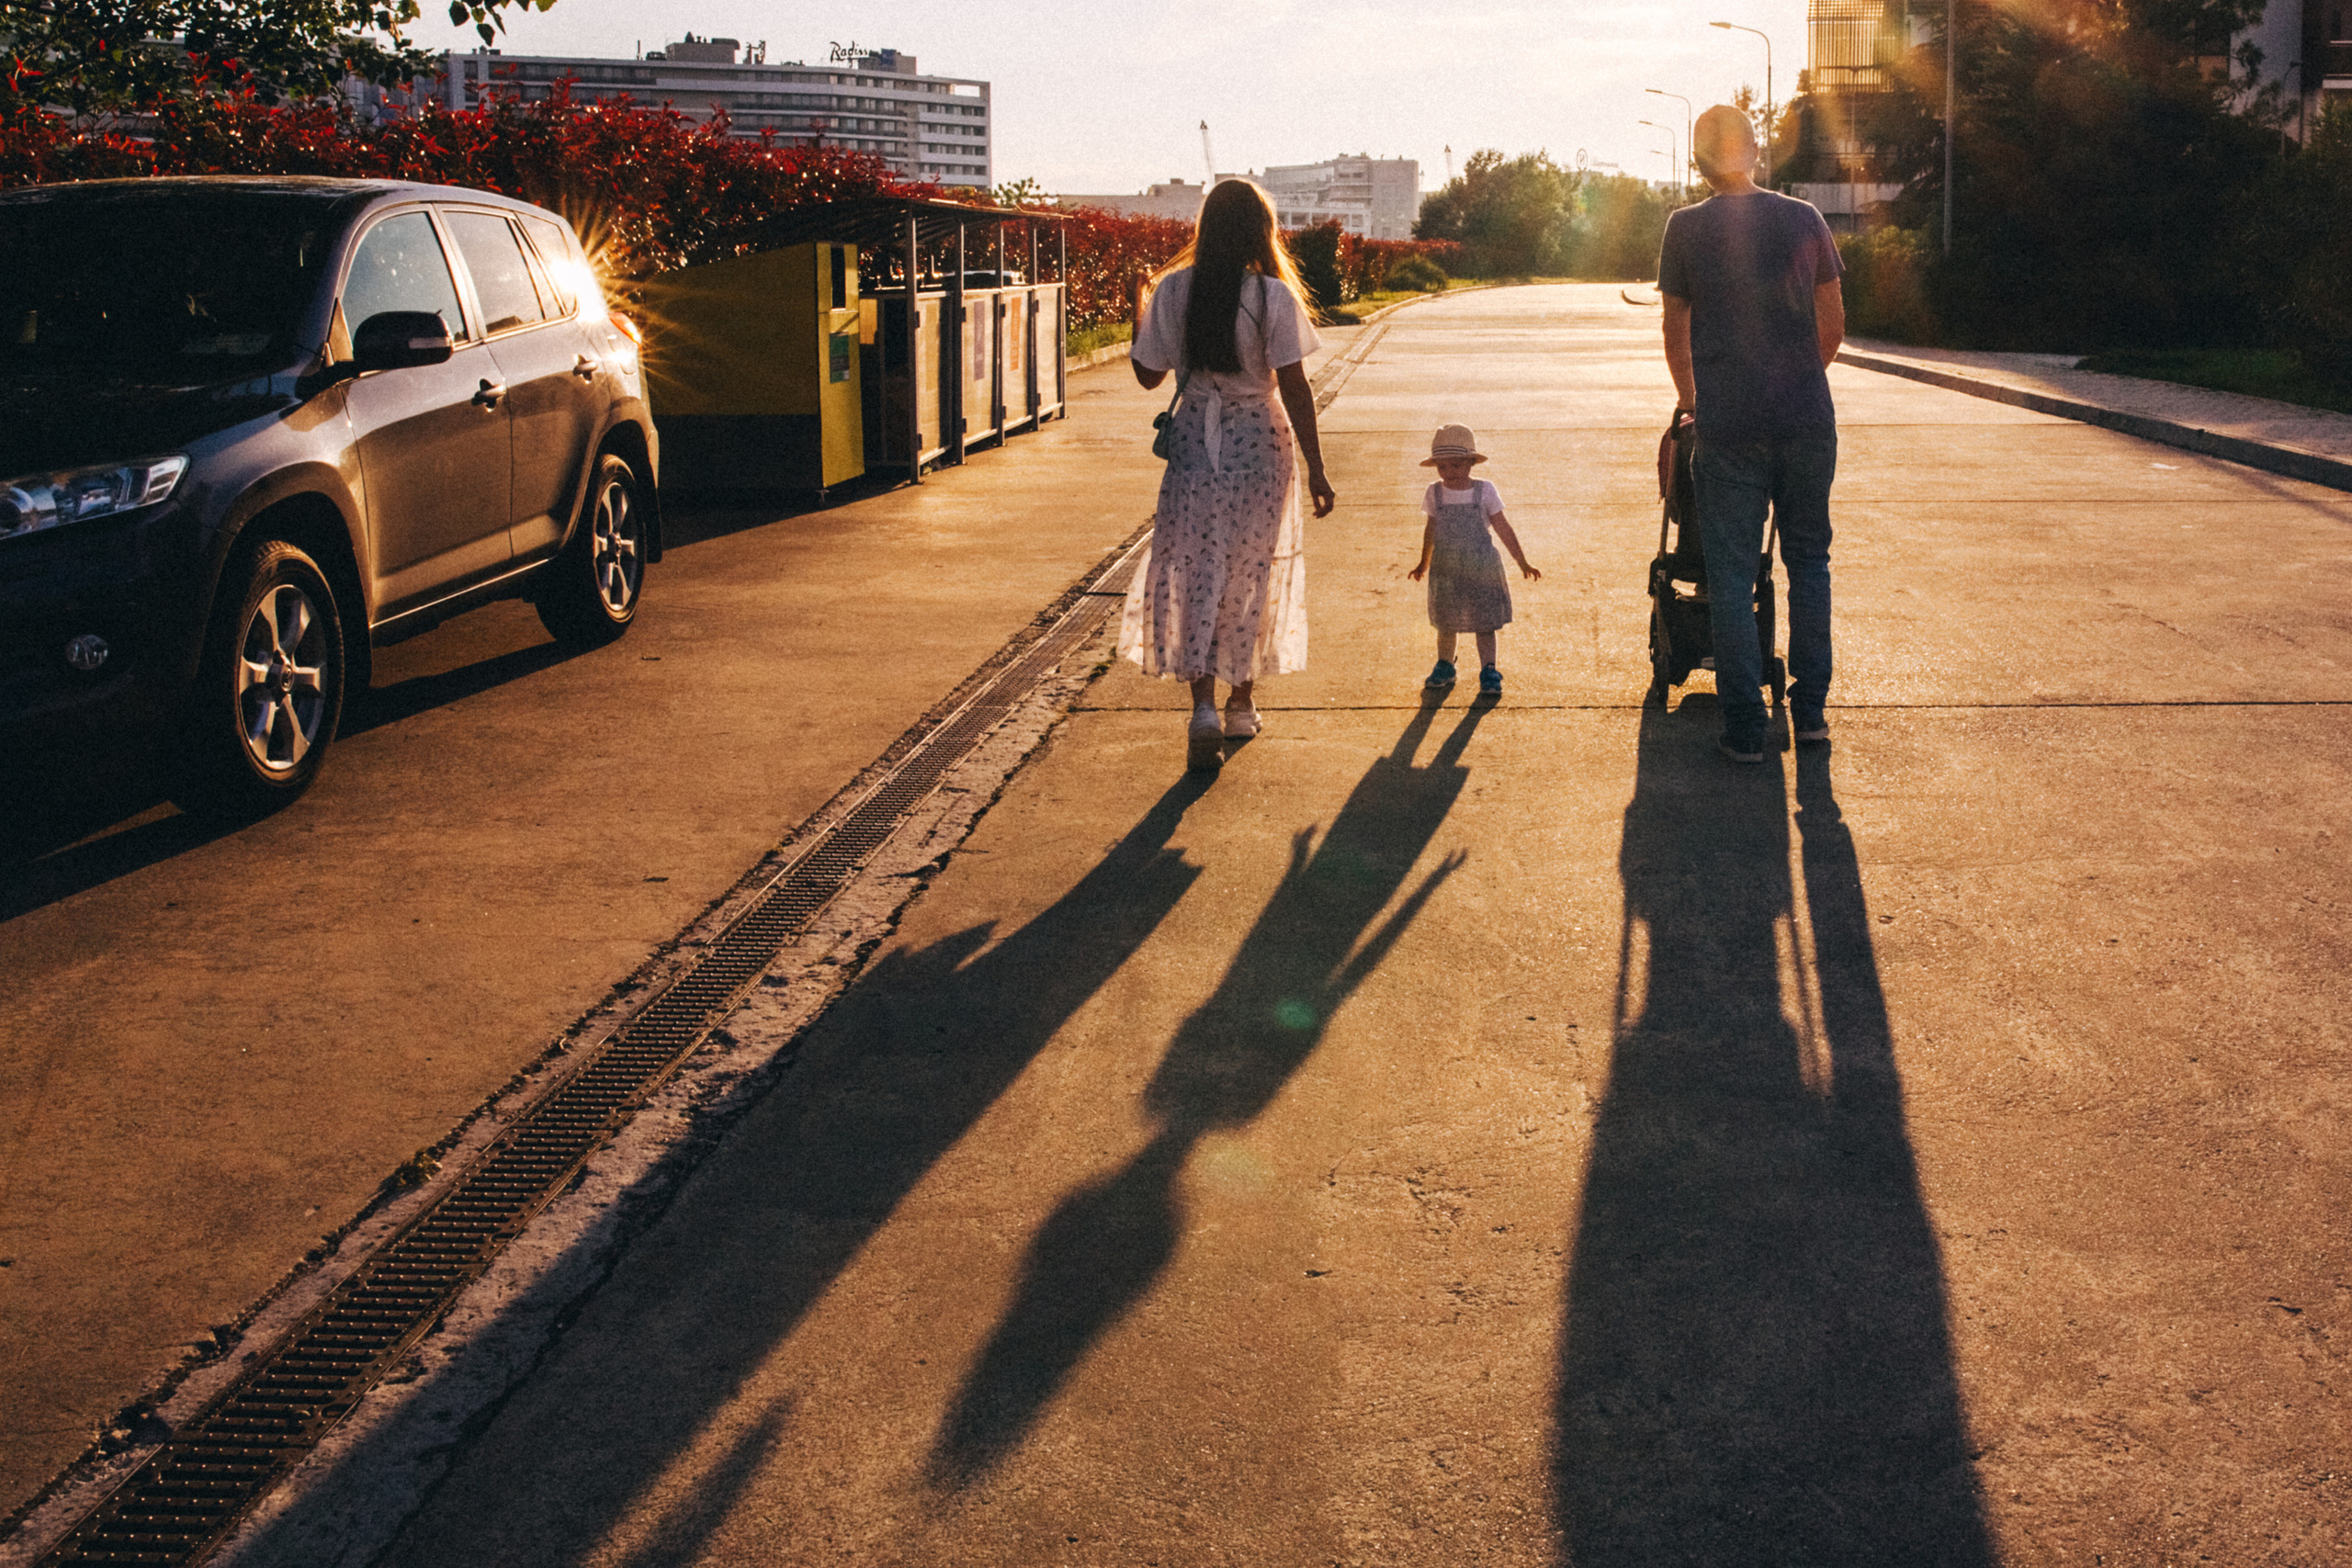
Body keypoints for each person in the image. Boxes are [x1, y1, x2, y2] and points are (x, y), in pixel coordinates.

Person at [1118, 178, 1338, 771]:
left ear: (1205, 228)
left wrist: (1138, 304)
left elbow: (1147, 378)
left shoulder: (1172, 291)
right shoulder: (1271, 297)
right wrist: (1318, 468)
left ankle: (1204, 709)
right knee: (1250, 570)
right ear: (1261, 231)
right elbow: (1293, 385)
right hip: (1260, 445)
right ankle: (1242, 704)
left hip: (1194, 442)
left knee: (1193, 566)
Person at [1657, 103, 1846, 762]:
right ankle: (1812, 713)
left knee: (1732, 576)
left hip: (1728, 426)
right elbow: (1833, 324)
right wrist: (1793, 380)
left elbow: (1674, 329)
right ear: (1756, 151)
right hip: (1805, 420)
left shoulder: (1684, 228)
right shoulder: (1804, 219)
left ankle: (1744, 726)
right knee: (1809, 562)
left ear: (1700, 160)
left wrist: (1693, 402)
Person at [1406, 423, 1541, 696]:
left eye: (1455, 465)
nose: (1448, 472)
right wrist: (1424, 562)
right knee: (1445, 621)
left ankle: (1489, 668)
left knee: (1484, 621)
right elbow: (1431, 530)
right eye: (1442, 467)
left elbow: (1503, 527)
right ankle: (1445, 664)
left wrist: (1521, 561)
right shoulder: (1435, 492)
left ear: (1470, 463)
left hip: (1481, 568)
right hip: (1446, 568)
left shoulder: (1485, 491)